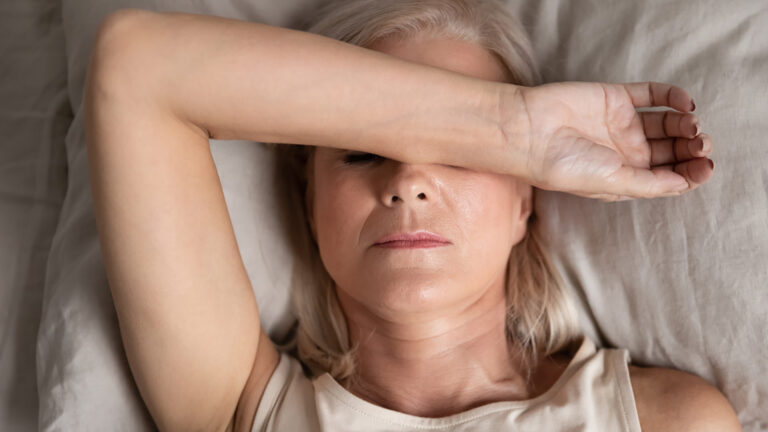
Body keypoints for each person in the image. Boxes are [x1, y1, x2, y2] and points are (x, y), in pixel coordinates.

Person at [83, 1, 737, 431]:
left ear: (526, 199)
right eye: (363, 155)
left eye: (459, 155)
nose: (407, 185)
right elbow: (135, 66)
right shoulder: (242, 407)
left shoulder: (664, 420)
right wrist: (509, 125)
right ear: (308, 200)